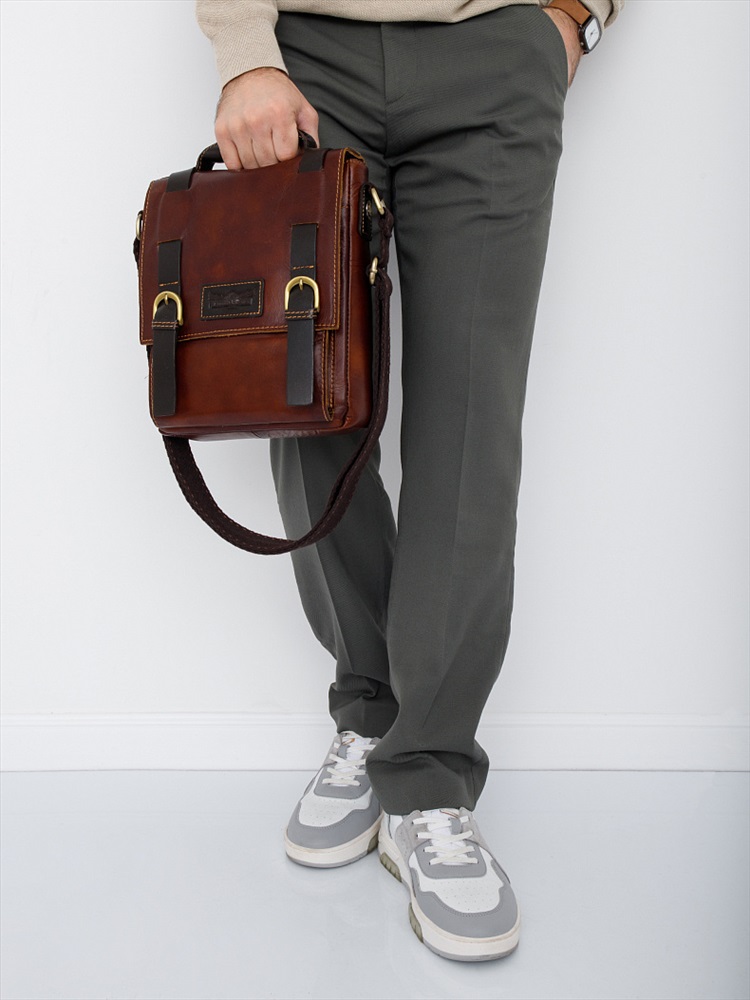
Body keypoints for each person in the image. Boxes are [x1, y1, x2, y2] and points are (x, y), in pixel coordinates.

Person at [196, 0, 623, 963]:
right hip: (309, 59)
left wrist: (574, 17)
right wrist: (244, 53)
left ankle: (427, 776)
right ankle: (373, 706)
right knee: (305, 397)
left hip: (496, 53)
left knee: (470, 414)